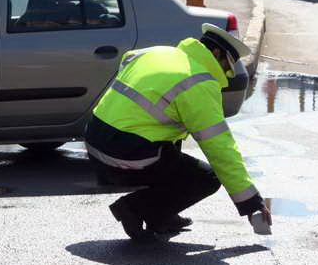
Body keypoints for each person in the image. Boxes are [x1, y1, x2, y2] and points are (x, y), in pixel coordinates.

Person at [84, 23, 272, 241]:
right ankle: (135, 207)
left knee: (171, 147)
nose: (227, 74)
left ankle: (160, 215)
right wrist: (251, 202)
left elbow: (127, 59)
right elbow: (221, 150)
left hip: (94, 139)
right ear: (217, 53)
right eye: (227, 67)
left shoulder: (157, 53)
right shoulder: (198, 82)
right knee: (207, 177)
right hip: (124, 154)